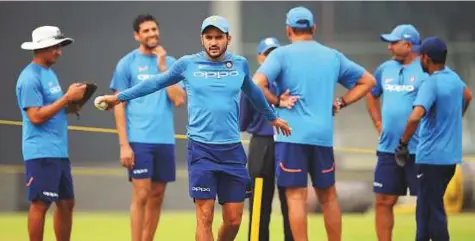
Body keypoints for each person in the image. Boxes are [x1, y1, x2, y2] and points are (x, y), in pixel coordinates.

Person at [95, 15, 291, 241]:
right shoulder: (187, 64)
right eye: (209, 37)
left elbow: (254, 92)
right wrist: (119, 98)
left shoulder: (239, 64)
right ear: (202, 38)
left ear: (228, 38)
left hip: (231, 151)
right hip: (201, 149)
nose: (213, 42)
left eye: (219, 37)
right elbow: (155, 83)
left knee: (234, 219)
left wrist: (272, 117)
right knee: (204, 215)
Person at [253, 6, 376, 241]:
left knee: (296, 197)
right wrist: (340, 102)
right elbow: (368, 81)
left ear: (288, 30)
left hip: (291, 136)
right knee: (328, 196)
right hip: (322, 137)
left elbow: (257, 82)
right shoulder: (332, 56)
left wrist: (278, 101)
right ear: (314, 29)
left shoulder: (281, 55)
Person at [109, 14, 186, 241]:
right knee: (141, 194)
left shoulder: (170, 63)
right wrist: (124, 145)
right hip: (139, 140)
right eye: (146, 31)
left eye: (154, 29)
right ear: (137, 36)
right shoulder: (127, 63)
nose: (151, 33)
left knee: (158, 194)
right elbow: (118, 105)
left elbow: (178, 99)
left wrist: (163, 67)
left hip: (164, 140)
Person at [395, 36, 472, 241]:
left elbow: (415, 116)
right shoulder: (454, 78)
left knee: (434, 209)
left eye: (421, 56)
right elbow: (467, 95)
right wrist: (453, 119)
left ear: (426, 58)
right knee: (425, 207)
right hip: (450, 158)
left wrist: (402, 143)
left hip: (431, 158)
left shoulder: (431, 83)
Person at [16, 26, 87, 241]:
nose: (59, 51)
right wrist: (66, 98)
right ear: (42, 48)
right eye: (55, 47)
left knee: (66, 203)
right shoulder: (29, 78)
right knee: (40, 203)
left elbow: (51, 107)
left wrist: (71, 105)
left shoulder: (49, 73)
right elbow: (35, 116)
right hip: (41, 152)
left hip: (58, 151)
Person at [365, 24, 427, 241]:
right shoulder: (385, 69)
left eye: (394, 42)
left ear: (409, 45)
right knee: (383, 200)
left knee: (427, 203)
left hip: (420, 150)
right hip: (388, 148)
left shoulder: (426, 70)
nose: (389, 47)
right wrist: (378, 123)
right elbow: (371, 93)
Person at [240, 37, 294, 241]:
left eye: (275, 53)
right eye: (267, 53)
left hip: (289, 143)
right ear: (260, 57)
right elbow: (242, 122)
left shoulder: (289, 83)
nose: (271, 57)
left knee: (291, 200)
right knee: (259, 201)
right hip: (262, 145)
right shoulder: (251, 85)